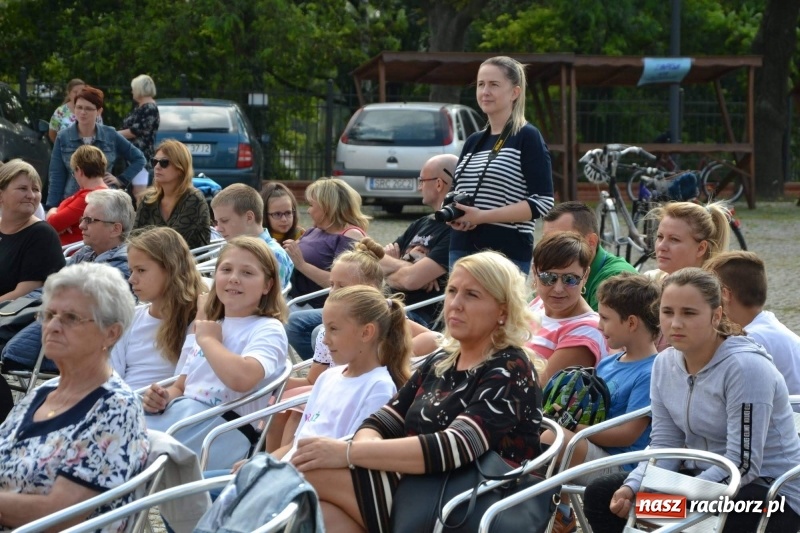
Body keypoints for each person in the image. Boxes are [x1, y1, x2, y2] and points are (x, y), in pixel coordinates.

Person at [290, 251, 544, 533]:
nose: (455, 304)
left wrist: (350, 453)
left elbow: (456, 446)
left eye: (472, 295)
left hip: (470, 500)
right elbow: (381, 421)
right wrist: (364, 451)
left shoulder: (510, 367)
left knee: (306, 473)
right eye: (452, 291)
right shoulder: (443, 360)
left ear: (503, 311)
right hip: (421, 487)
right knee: (322, 513)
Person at [583, 268, 800, 533]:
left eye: (689, 313)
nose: (675, 323)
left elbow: (743, 466)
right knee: (604, 496)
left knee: (661, 511)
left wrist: (675, 496)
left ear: (716, 315)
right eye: (667, 312)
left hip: (771, 494)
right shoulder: (664, 363)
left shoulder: (746, 368)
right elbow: (665, 444)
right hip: (704, 479)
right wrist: (635, 485)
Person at [0, 262, 149, 529]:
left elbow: (59, 515)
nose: (53, 326)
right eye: (49, 314)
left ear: (111, 333)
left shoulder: (115, 409)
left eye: (71, 318)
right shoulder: (44, 392)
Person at [142, 236, 288, 469]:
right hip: (184, 417)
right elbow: (181, 386)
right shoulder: (213, 325)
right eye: (226, 269)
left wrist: (209, 341)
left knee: (120, 445)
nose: (234, 278)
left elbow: (242, 378)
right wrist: (162, 398)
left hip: (219, 432)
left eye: (247, 273)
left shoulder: (268, 328)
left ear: (267, 286)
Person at [541, 272, 658, 510]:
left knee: (553, 439)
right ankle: (557, 511)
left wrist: (574, 427)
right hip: (592, 449)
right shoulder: (608, 363)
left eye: (605, 318)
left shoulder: (651, 372)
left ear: (631, 323)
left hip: (621, 467)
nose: (598, 325)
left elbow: (627, 435)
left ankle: (555, 512)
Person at [2, 188, 135, 372]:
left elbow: (78, 309)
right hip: (47, 323)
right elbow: (53, 289)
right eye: (83, 218)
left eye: (90, 220)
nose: (81, 226)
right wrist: (16, 305)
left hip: (71, 342)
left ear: (115, 229)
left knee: (8, 349)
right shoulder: (86, 253)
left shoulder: (123, 267)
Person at [277, 285, 411, 461]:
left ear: (366, 332)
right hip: (291, 468)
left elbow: (354, 456)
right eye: (325, 329)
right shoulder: (327, 377)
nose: (325, 340)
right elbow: (295, 444)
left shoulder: (379, 387)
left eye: (333, 329)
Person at [447, 55, 554, 274]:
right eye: (481, 84)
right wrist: (453, 213)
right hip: (461, 247)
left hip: (505, 253)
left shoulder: (527, 136)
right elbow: (455, 190)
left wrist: (482, 216)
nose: (485, 91)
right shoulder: (473, 141)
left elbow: (543, 201)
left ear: (515, 92)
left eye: (494, 84)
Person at [111, 227, 206, 390]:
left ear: (170, 269)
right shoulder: (129, 318)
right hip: (121, 400)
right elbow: (111, 376)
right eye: (131, 271)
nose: (132, 279)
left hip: (166, 403)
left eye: (141, 270)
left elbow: (185, 384)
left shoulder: (199, 319)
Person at [705, 251, 800, 397]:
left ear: (725, 295)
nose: (706, 302)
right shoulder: (767, 324)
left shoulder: (749, 341)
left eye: (709, 295)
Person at [380, 154, 454, 328]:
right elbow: (375, 262)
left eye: (422, 181)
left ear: (438, 184)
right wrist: (411, 268)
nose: (419, 187)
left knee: (324, 328)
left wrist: (393, 271)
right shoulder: (421, 223)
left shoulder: (455, 230)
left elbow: (410, 280)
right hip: (388, 305)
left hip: (417, 316)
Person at [527, 232, 609, 385]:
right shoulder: (539, 303)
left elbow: (537, 387)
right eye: (548, 277)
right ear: (534, 273)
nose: (558, 289)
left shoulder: (587, 331)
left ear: (585, 276)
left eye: (570, 279)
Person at [46, 85, 146, 209]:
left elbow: (139, 158)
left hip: (104, 203)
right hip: (72, 202)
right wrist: (51, 208)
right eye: (79, 107)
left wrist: (121, 179)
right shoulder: (63, 137)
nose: (83, 112)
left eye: (88, 108)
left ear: (99, 111)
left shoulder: (110, 134)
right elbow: (56, 175)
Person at [283, 177, 369, 308]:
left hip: (312, 305)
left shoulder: (350, 234)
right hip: (290, 296)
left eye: (311, 205)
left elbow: (343, 284)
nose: (308, 211)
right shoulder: (314, 230)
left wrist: (302, 265)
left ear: (327, 207)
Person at [542, 201, 637, 310]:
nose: (550, 249)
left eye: (562, 241)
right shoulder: (555, 270)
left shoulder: (616, 278)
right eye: (546, 241)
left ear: (591, 241)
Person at [0, 160, 64, 302]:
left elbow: (24, 294)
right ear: (1, 195)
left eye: (36, 189)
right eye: (23, 188)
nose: (31, 195)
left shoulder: (42, 235)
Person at [210, 183, 293, 289]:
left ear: (249, 217)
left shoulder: (273, 255)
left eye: (224, 220)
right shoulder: (231, 248)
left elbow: (272, 298)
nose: (218, 228)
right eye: (217, 222)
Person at [134, 139, 211, 250]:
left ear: (180, 168)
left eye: (164, 163)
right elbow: (134, 237)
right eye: (154, 162)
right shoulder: (148, 199)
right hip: (150, 257)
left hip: (189, 260)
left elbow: (173, 244)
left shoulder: (193, 198)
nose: (157, 167)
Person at [645, 200, 731, 281]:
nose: (661, 246)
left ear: (700, 248)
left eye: (674, 239)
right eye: (660, 237)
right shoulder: (649, 280)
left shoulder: (713, 291)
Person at [46, 145, 109, 245]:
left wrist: (52, 212)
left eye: (73, 172)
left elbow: (52, 224)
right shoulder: (102, 192)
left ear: (79, 171)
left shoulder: (89, 197)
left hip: (70, 251)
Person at [118, 74, 160, 200]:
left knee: (139, 192)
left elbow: (136, 131)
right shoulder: (141, 107)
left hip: (140, 155)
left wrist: (113, 134)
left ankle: (142, 212)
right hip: (133, 154)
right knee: (135, 190)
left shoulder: (149, 108)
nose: (132, 92)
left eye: (133, 88)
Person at [47, 78, 103, 143]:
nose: (79, 94)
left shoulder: (93, 109)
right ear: (69, 93)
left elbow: (100, 131)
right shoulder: (60, 111)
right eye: (75, 92)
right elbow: (52, 133)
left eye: (82, 91)